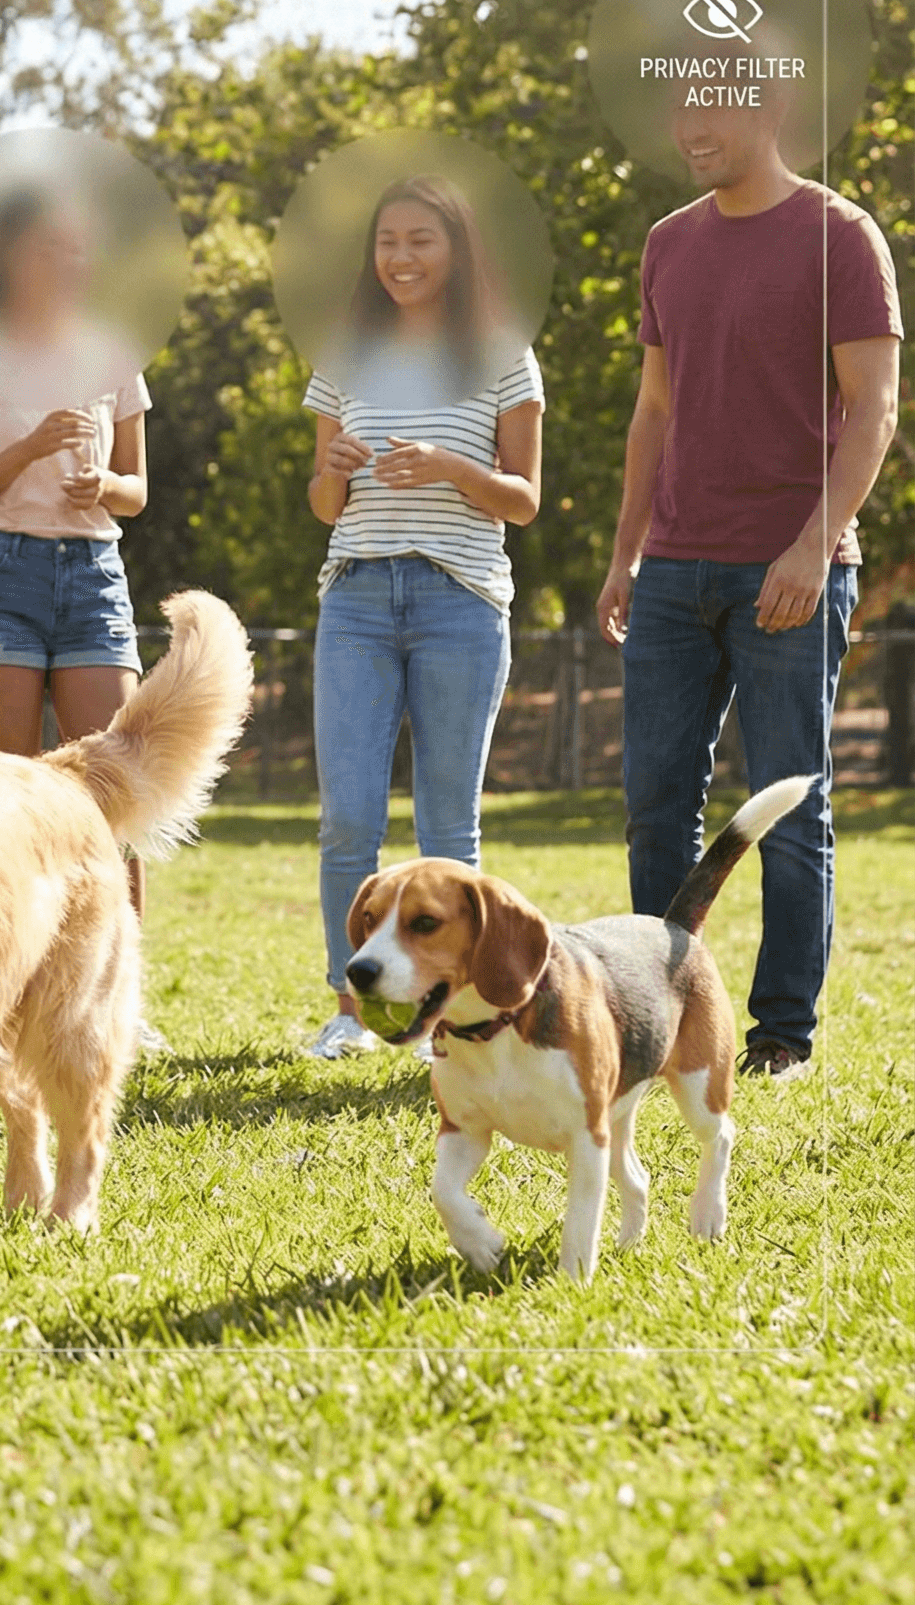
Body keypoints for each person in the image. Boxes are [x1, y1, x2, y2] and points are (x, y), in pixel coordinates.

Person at [596, 87, 901, 1078]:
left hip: (792, 569)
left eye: (710, 111)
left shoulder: (839, 235)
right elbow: (652, 410)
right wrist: (623, 553)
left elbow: (875, 408)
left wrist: (817, 542)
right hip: (675, 569)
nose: (688, 129)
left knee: (788, 805)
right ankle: (660, 1016)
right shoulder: (668, 243)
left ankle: (778, 1035)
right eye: (678, 109)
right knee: (656, 803)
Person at [301, 175, 543, 1058]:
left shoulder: (502, 352)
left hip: (462, 600)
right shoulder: (347, 352)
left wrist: (447, 465)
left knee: (450, 825)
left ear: (457, 250)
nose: (400, 258)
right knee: (347, 820)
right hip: (358, 596)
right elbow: (325, 505)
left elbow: (523, 500)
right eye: (387, 242)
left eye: (420, 241)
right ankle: (351, 1012)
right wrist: (332, 465)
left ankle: (451, 1015)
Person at [0, 186, 152, 921]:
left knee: (115, 788)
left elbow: (138, 491)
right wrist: (27, 451)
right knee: (6, 794)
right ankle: (4, 992)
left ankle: (119, 994)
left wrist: (105, 484)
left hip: (92, 575)